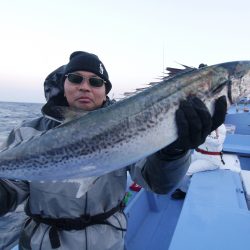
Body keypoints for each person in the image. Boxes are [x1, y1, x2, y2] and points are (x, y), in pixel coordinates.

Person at [0, 51, 227, 250]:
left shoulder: (130, 125)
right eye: (76, 78)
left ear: (105, 90)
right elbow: (9, 188)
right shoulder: (28, 133)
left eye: (96, 82)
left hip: (108, 243)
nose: (85, 86)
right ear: (64, 84)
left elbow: (159, 184)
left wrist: (174, 151)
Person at [171, 123, 227, 200]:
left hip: (211, 159)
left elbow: (217, 142)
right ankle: (181, 184)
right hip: (197, 155)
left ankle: (184, 191)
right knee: (181, 165)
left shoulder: (220, 127)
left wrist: (200, 135)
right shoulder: (201, 122)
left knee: (187, 171)